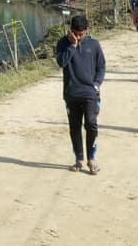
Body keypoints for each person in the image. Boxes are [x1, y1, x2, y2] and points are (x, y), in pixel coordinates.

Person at [55, 15, 106, 175]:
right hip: (71, 94)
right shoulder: (63, 43)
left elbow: (101, 67)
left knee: (91, 124)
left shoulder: (94, 45)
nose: (78, 36)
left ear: (87, 30)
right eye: (75, 33)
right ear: (71, 31)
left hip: (90, 93)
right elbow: (61, 62)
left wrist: (96, 84)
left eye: (81, 34)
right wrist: (72, 45)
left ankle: (91, 158)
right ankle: (79, 158)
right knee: (74, 127)